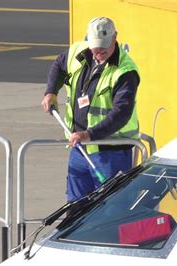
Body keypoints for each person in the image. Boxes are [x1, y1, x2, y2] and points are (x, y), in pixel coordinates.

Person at [41, 17, 141, 202]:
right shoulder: (78, 52)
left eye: (104, 45)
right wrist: (51, 92)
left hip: (111, 151)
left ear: (115, 38)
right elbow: (59, 65)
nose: (99, 51)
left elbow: (122, 113)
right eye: (95, 46)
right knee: (76, 206)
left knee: (111, 207)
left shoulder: (125, 72)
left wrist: (89, 134)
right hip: (80, 147)